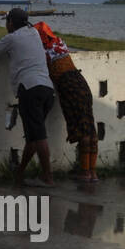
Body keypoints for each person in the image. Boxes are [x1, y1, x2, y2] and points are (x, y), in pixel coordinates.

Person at [0, 7, 55, 187]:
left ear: (11, 23)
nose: (6, 25)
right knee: (33, 136)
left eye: (7, 22)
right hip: (47, 88)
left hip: (30, 89)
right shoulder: (34, 33)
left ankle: (48, 177)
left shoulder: (11, 38)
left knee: (39, 136)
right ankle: (20, 173)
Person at [33, 22, 99, 182]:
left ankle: (85, 172)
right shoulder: (60, 42)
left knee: (83, 129)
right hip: (81, 82)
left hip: (69, 87)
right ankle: (93, 173)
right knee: (90, 128)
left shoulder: (42, 50)